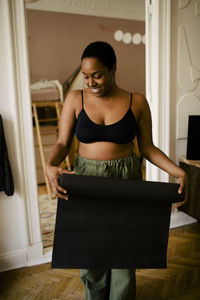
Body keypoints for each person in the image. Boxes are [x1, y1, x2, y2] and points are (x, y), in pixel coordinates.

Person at [45, 41, 188, 300]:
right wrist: (50, 165)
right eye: (86, 76)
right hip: (87, 181)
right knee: (89, 252)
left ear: (112, 69)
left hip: (125, 180)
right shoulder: (75, 99)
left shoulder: (138, 102)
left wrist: (178, 172)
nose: (91, 83)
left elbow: (147, 147)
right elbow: (62, 143)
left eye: (97, 75)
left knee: (124, 253)